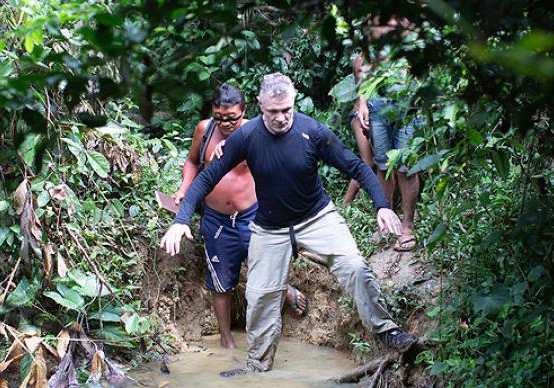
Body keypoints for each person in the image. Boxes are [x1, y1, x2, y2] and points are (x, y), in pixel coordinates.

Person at [161, 73, 418, 376]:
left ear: (293, 104)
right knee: (259, 298)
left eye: (287, 110)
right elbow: (206, 176)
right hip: (269, 229)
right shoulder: (246, 137)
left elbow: (356, 166)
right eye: (273, 112)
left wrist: (383, 206)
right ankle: (256, 369)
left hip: (317, 219)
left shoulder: (313, 131)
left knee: (355, 267)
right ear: (260, 105)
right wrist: (180, 220)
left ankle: (387, 331)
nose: (281, 118)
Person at [171, 83, 308, 350]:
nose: (225, 123)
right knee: (220, 282)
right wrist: (183, 188)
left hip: (253, 214)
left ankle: (285, 290)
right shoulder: (205, 130)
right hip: (216, 218)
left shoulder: (257, 131)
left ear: (244, 112)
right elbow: (191, 161)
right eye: (219, 117)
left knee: (267, 269)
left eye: (231, 118)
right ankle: (226, 341)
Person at [354, 16, 422, 251]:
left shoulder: (404, 18)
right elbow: (362, 62)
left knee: (406, 167)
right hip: (378, 107)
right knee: (383, 166)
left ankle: (407, 226)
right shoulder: (371, 16)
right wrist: (362, 103)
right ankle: (386, 219)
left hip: (406, 108)